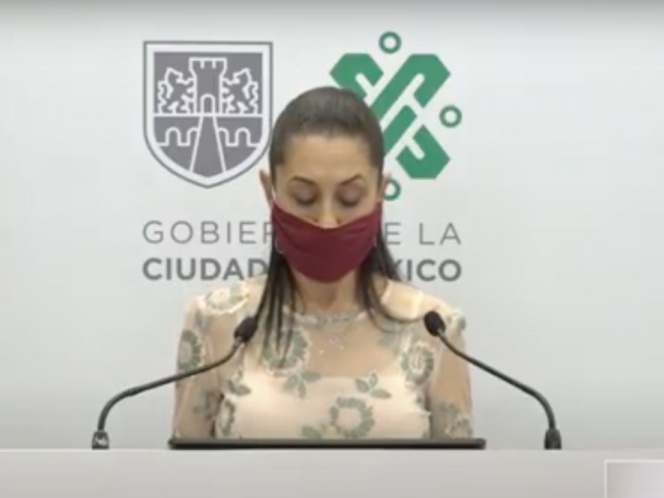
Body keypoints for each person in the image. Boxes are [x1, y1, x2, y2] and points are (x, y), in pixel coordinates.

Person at [171, 86, 473, 440]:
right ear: (270, 191)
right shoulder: (216, 322)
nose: (327, 222)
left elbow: (461, 471)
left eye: (349, 198)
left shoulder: (434, 328)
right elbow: (184, 468)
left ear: (380, 192)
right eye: (304, 198)